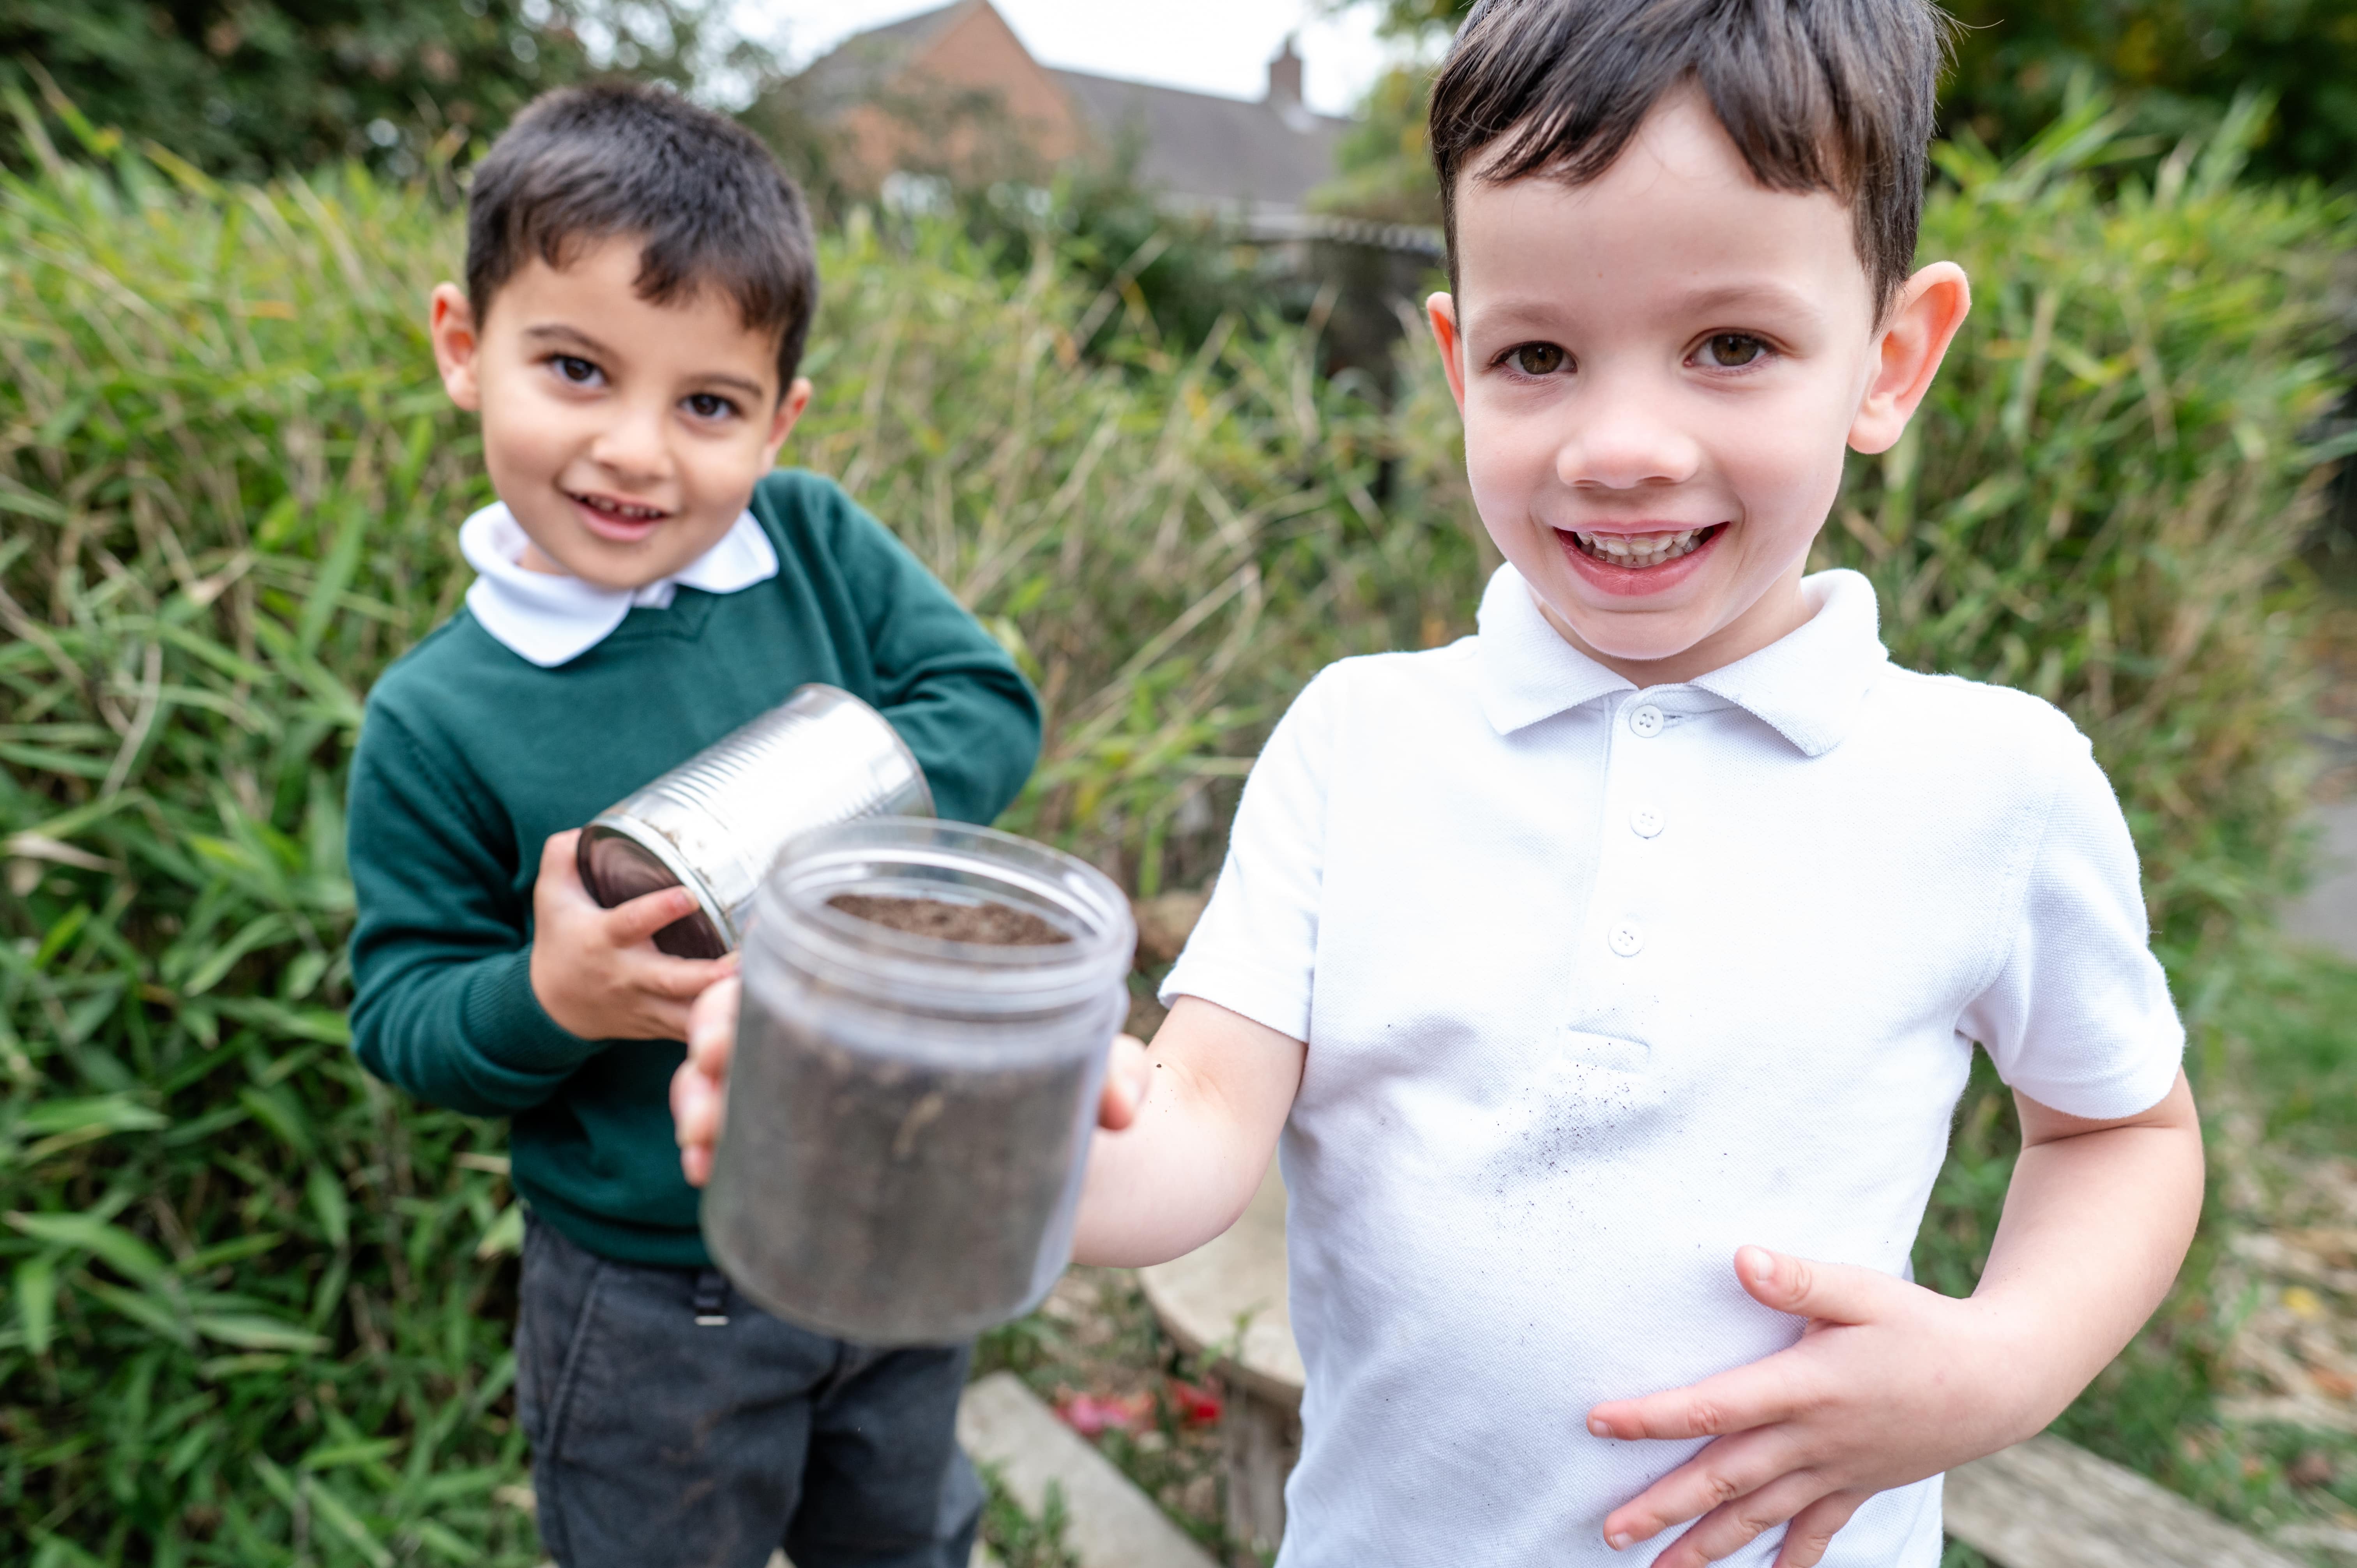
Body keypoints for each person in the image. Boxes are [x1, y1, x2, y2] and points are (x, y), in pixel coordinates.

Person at [674, 0, 2206, 1562]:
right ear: (1459, 365)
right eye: (1542, 355)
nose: (1623, 445)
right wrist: (963, 1124)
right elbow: (1196, 1130)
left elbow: (2121, 1134)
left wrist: (2003, 1366)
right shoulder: (1361, 744)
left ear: (1889, 361)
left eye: (1730, 348)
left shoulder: (1990, 783)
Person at [345, 83, 1039, 1568]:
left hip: (879, 1216)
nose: (638, 452)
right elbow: (403, 1014)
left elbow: (986, 704)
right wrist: (552, 995)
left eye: (707, 404)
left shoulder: (818, 548)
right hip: (653, 1293)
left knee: (908, 1540)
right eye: (579, 370)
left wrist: (802, 838)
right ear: (467, 350)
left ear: (778, 421)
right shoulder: (437, 715)